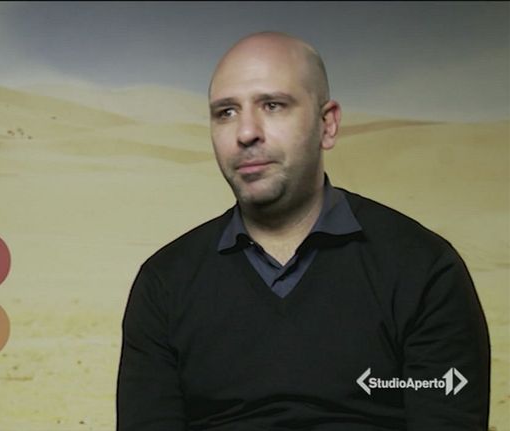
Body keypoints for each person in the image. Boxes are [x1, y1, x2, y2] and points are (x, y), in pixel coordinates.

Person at [116, 32, 490, 430]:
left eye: (272, 105)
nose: (245, 132)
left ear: (327, 125)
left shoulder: (423, 268)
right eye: (226, 112)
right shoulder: (165, 283)